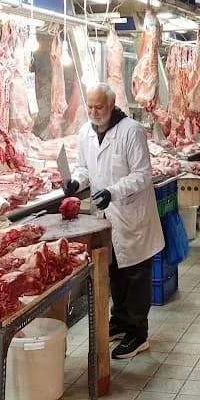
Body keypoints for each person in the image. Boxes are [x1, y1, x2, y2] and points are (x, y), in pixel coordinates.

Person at [64, 83, 164, 360]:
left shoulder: (131, 130)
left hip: (131, 215)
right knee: (116, 272)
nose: (95, 112)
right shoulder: (85, 132)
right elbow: (84, 166)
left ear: (112, 105)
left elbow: (143, 175)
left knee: (136, 276)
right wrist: (76, 181)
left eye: (100, 107)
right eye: (91, 107)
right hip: (106, 217)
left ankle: (138, 334)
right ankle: (120, 322)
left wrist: (112, 192)